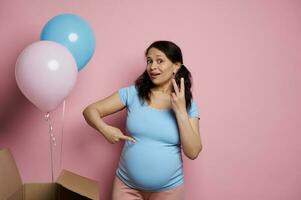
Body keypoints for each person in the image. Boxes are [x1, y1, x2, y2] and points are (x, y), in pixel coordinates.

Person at [83, 40, 202, 200]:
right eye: (149, 61)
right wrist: (105, 129)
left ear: (176, 66)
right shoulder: (132, 93)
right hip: (126, 187)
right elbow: (90, 111)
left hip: (169, 190)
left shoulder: (187, 103)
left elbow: (193, 152)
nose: (152, 67)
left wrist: (180, 111)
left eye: (160, 60)